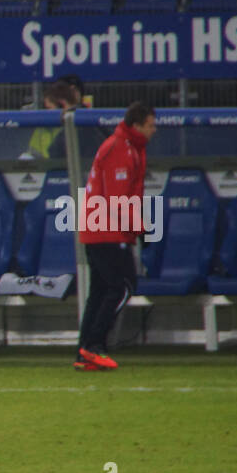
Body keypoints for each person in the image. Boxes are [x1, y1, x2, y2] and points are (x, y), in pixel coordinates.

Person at [76, 101, 157, 371]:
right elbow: (116, 199)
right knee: (122, 286)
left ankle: (85, 350)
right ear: (137, 125)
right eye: (150, 125)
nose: (154, 130)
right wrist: (140, 228)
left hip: (101, 228)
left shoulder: (127, 147)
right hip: (107, 230)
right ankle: (94, 346)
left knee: (100, 291)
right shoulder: (120, 149)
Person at [24, 80, 81, 161]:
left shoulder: (84, 127)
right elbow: (32, 153)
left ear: (62, 105)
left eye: (49, 108)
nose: (47, 112)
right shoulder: (43, 128)